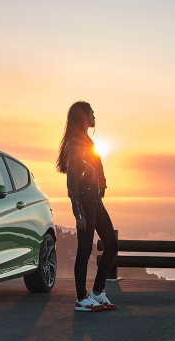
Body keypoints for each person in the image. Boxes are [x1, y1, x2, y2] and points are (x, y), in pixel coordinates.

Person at [56, 101, 118, 312]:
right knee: (84, 250)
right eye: (91, 113)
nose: (94, 116)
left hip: (95, 201)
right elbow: (72, 182)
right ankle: (81, 298)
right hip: (84, 201)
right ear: (83, 115)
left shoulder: (86, 141)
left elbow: (96, 170)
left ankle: (98, 293)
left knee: (111, 244)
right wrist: (79, 212)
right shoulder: (74, 143)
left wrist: (102, 186)